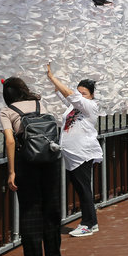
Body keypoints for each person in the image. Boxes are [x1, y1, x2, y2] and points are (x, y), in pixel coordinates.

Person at [1, 77, 62, 256]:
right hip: (50, 161)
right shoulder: (39, 104)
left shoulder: (8, 111)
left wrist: (12, 172)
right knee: (51, 210)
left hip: (27, 163)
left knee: (30, 212)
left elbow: (10, 141)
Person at [46, 64, 103, 237]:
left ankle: (89, 223)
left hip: (83, 153)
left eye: (83, 93)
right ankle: (90, 223)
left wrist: (52, 77)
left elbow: (71, 95)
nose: (79, 96)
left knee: (84, 189)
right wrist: (53, 76)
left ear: (91, 95)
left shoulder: (90, 106)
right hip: (72, 155)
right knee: (81, 188)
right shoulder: (74, 106)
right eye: (79, 92)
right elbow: (65, 94)